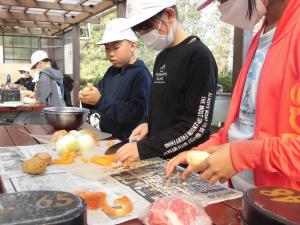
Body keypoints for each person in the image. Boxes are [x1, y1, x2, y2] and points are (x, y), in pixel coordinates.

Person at [166, 0, 300, 191]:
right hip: (244, 195)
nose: (222, 7)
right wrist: (199, 151)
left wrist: (239, 156)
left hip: (283, 204)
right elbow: (243, 124)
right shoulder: (262, 35)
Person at [114, 0, 218, 162]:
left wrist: (144, 149)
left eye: (147, 27)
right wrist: (148, 122)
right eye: (139, 31)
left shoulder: (198, 55)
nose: (144, 35)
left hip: (186, 162)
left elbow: (197, 125)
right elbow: (162, 106)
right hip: (159, 157)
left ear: (170, 14)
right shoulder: (162, 57)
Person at [79, 18, 152, 140]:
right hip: (106, 137)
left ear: (133, 45)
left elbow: (137, 113)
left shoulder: (140, 74)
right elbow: (99, 99)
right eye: (107, 48)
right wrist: (88, 98)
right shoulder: (111, 72)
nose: (110, 53)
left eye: (116, 47)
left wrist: (100, 101)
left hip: (126, 141)